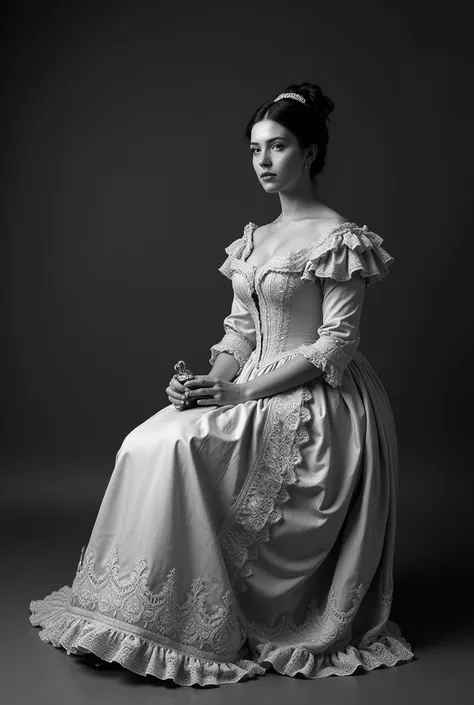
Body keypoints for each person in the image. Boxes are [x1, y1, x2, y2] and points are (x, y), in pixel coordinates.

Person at [29, 82, 414, 687]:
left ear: (310, 153)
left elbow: (334, 344)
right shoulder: (255, 240)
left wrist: (239, 395)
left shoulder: (340, 238)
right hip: (252, 381)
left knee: (183, 449)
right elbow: (239, 333)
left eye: (279, 146)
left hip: (319, 401)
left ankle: (206, 617)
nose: (263, 161)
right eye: (256, 148)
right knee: (146, 439)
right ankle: (144, 613)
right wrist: (208, 383)